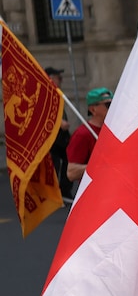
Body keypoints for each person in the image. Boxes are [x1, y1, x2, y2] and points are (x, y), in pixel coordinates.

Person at [66, 87, 113, 193]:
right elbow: (71, 172)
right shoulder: (82, 134)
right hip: (94, 193)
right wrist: (99, 166)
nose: (113, 108)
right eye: (108, 105)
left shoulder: (113, 129)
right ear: (93, 109)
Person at [45, 67, 73, 200]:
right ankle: (54, 195)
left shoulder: (57, 93)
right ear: (50, 78)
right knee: (54, 164)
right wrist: (59, 122)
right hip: (52, 137)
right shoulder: (45, 94)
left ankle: (64, 191)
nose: (61, 81)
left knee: (69, 160)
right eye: (58, 78)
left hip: (62, 137)